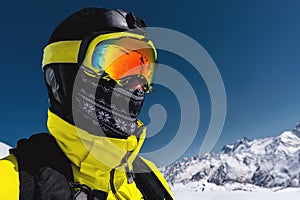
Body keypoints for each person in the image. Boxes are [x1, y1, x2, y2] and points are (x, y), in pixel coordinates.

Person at [0, 7, 173, 200]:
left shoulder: (150, 178)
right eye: (118, 64)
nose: (137, 85)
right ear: (59, 80)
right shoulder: (11, 183)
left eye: (144, 70)